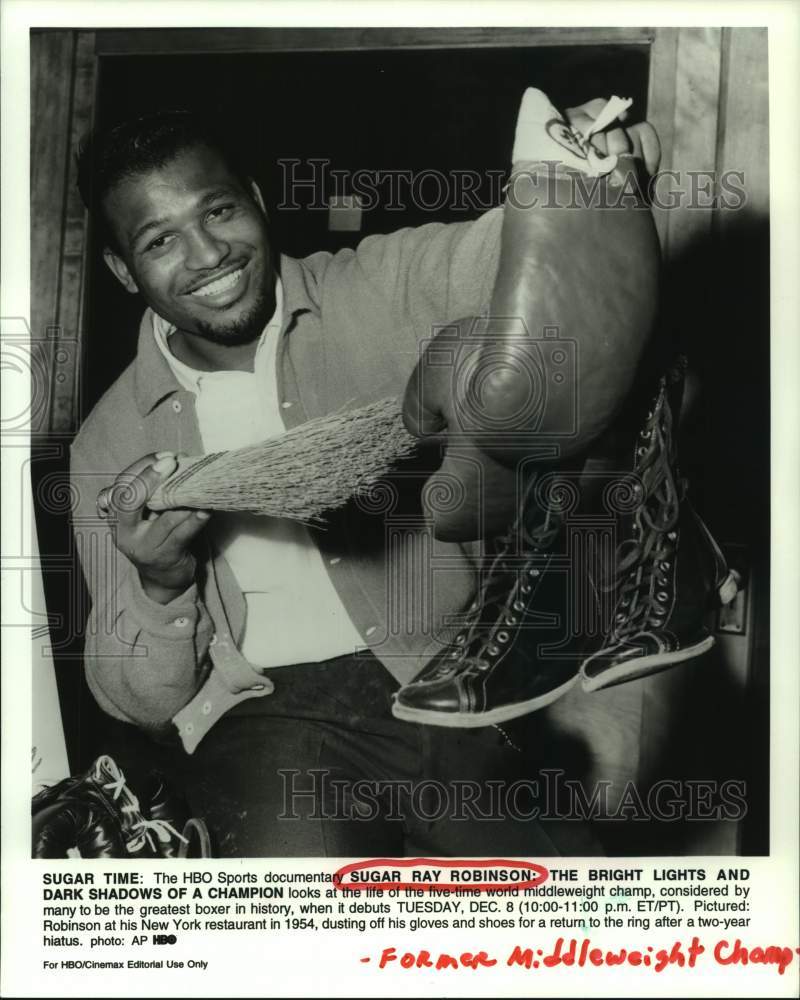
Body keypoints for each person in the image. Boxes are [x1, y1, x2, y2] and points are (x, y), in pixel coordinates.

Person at [70, 90, 711, 857]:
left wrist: (578, 177)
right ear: (120, 267)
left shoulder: (376, 287)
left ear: (258, 201)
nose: (208, 256)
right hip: (264, 718)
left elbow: (510, 257)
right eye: (159, 242)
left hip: (442, 684)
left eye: (218, 212)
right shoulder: (109, 442)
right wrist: (161, 584)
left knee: (575, 916)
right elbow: (134, 700)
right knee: (299, 935)